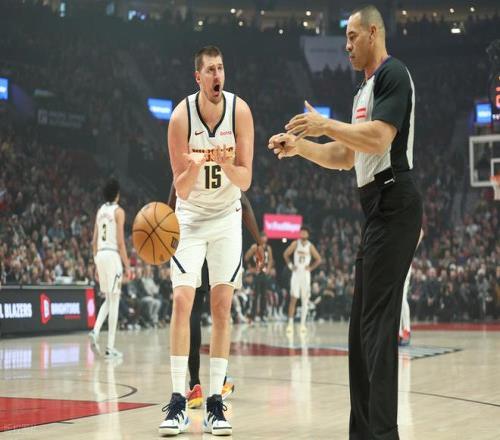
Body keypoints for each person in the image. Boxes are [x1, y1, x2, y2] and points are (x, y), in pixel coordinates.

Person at [268, 5, 422, 439]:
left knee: (377, 328)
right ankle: (363, 433)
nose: (347, 45)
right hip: (375, 210)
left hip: (395, 202)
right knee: (360, 331)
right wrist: (301, 147)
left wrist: (324, 123)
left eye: (353, 37)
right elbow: (346, 156)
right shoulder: (361, 92)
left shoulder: (394, 75)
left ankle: (382, 434)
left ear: (374, 32)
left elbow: (378, 137)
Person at [159, 45, 254, 437]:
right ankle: (178, 400)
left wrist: (226, 162)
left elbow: (246, 180)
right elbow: (181, 189)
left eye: (221, 68)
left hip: (227, 217)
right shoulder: (180, 117)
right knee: (182, 300)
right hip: (191, 217)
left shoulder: (240, 111)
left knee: (221, 306)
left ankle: (215, 402)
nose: (218, 75)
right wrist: (196, 164)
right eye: (211, 70)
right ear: (198, 77)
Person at [166, 185, 263, 410]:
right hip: (218, 238)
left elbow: (174, 195)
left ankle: (195, 384)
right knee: (220, 311)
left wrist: (165, 229)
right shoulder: (226, 173)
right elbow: (243, 203)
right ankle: (220, 381)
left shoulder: (189, 173)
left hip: (193, 233)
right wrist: (258, 241)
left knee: (193, 311)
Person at [89, 178, 130, 359]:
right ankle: (110, 347)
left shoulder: (100, 211)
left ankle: (95, 331)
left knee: (108, 298)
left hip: (100, 255)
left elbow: (93, 241)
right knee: (115, 301)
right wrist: (127, 265)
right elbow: (120, 242)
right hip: (113, 255)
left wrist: (96, 264)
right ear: (117, 194)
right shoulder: (119, 212)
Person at [283, 226, 322, 334]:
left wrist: (311, 267)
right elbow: (285, 254)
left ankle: (302, 325)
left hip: (305, 274)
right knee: (293, 299)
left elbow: (319, 259)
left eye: (305, 232)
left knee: (305, 300)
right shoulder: (296, 243)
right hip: (296, 274)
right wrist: (290, 265)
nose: (303, 233)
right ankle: (290, 324)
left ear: (308, 234)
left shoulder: (310, 246)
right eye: (302, 231)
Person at [399, 228, 423, 346]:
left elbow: (421, 231)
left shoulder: (405, 222)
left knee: (402, 298)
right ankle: (398, 332)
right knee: (396, 300)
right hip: (394, 263)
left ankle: (406, 330)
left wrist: (411, 249)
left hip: (404, 262)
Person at [244, 231, 273, 323]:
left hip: (264, 273)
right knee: (256, 294)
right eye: (263, 237)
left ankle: (262, 314)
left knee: (264, 294)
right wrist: (250, 268)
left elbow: (271, 260)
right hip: (256, 273)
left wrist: (268, 269)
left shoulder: (268, 248)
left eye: (265, 237)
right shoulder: (255, 247)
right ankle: (253, 314)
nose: (264, 239)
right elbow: (246, 257)